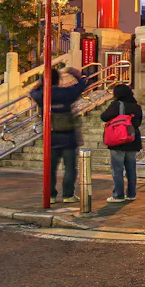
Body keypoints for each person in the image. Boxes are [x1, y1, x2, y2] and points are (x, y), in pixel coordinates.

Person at [30, 67, 85, 204]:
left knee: (50, 168)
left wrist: (42, 82)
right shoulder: (66, 93)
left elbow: (32, 92)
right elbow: (83, 84)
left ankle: (51, 195)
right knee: (70, 167)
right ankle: (68, 194)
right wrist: (76, 74)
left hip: (51, 136)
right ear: (58, 79)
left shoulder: (43, 94)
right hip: (69, 136)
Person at [99, 84, 143, 203]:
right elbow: (138, 123)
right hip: (133, 140)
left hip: (118, 140)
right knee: (131, 169)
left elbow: (104, 116)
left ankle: (118, 195)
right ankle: (131, 194)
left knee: (117, 169)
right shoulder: (137, 106)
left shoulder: (117, 104)